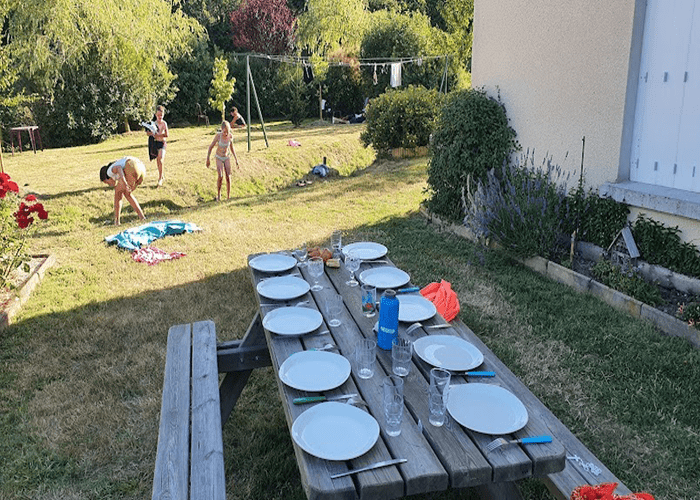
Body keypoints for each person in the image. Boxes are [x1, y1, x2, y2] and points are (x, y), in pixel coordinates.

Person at [100, 156, 147, 226]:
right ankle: (142, 217)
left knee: (118, 193)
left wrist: (124, 182)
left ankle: (117, 222)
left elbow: (119, 168)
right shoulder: (117, 163)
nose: (109, 185)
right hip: (142, 168)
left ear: (106, 178)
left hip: (132, 165)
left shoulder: (108, 171)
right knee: (127, 194)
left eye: (106, 182)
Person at [206, 121, 240, 201]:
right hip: (219, 157)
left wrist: (236, 159)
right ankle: (219, 195)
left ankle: (228, 196)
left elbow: (232, 148)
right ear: (221, 130)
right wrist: (208, 159)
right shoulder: (218, 136)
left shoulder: (230, 136)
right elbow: (211, 147)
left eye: (227, 132)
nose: (226, 134)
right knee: (220, 176)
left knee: (228, 176)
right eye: (224, 132)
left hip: (226, 157)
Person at [147, 105, 169, 186]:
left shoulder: (164, 123)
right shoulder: (153, 124)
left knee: (160, 158)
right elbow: (148, 133)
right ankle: (161, 175)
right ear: (155, 115)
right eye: (158, 115)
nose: (160, 117)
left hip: (162, 143)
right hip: (155, 143)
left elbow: (167, 135)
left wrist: (159, 135)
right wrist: (151, 133)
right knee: (158, 160)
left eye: (161, 115)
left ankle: (160, 178)